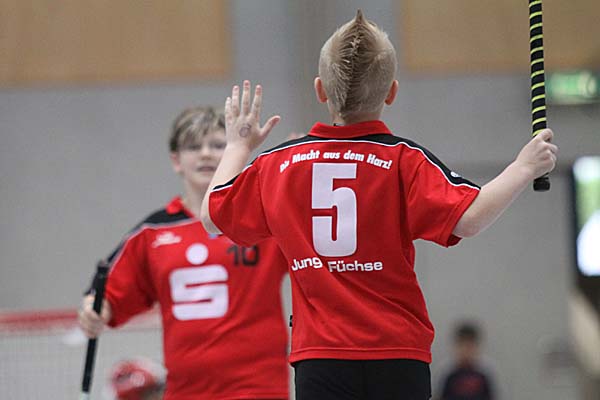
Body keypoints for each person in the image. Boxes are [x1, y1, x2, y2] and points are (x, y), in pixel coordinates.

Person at [200, 10, 557, 400]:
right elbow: (470, 218)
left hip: (320, 359)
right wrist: (523, 167)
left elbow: (213, 216)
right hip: (398, 355)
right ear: (391, 92)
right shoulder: (404, 160)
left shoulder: (280, 164)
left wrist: (237, 146)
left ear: (320, 90)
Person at [78, 107, 289, 400]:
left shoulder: (262, 219)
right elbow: (107, 297)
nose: (206, 154)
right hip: (184, 392)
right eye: (193, 147)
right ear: (176, 160)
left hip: (259, 389)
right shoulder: (152, 233)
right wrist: (94, 310)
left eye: (217, 145)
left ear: (234, 151)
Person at [437, 322, 495, 400]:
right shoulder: (448, 374)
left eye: (469, 346)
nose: (466, 350)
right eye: (462, 346)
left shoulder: (484, 374)